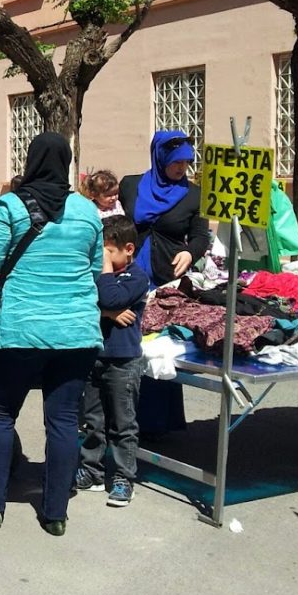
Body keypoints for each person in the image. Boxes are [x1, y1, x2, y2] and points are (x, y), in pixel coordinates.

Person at [0, 132, 102, 536]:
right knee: (64, 420)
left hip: (22, 329)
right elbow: (94, 269)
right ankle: (55, 514)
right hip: (77, 331)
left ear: (32, 161)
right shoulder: (87, 210)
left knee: (0, 413)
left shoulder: (13, 205)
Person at [119, 130, 210, 434]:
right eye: (176, 162)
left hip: (165, 281)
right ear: (160, 157)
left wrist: (190, 252)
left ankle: (156, 424)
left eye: (186, 162)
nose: (181, 168)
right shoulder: (130, 185)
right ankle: (119, 418)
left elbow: (200, 236)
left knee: (158, 349)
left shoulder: (194, 195)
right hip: (128, 276)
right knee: (125, 346)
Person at [75, 215, 149, 507]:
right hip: (94, 355)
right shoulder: (98, 275)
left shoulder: (137, 277)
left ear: (128, 249)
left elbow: (111, 298)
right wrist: (106, 314)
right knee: (93, 421)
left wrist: (106, 295)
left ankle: (123, 477)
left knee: (122, 423)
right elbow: (83, 299)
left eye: (107, 252)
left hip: (123, 361)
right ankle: (91, 469)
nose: (102, 259)